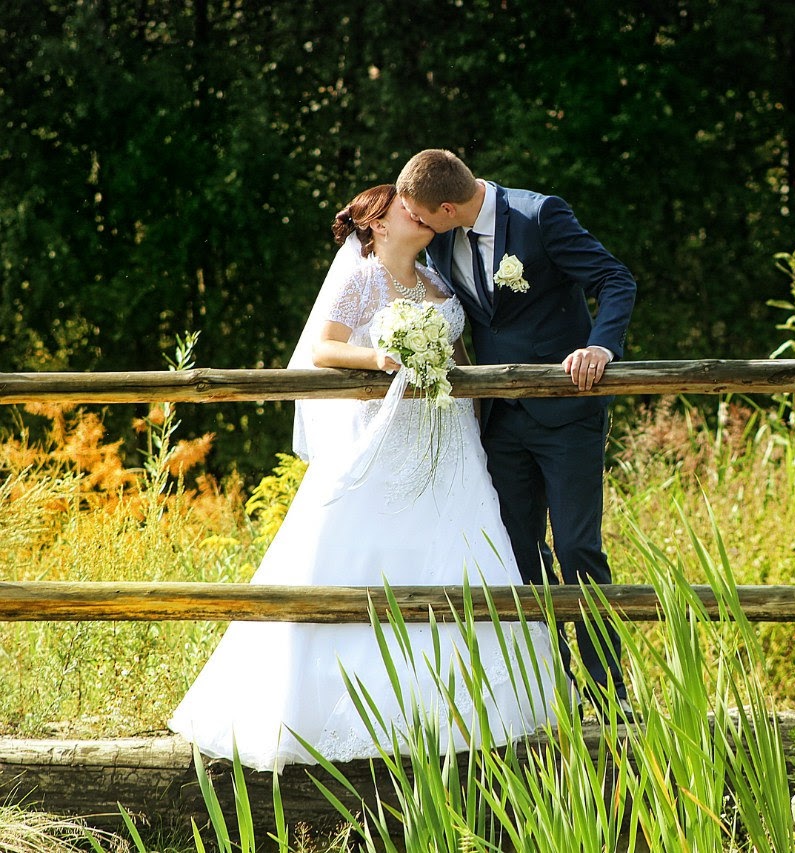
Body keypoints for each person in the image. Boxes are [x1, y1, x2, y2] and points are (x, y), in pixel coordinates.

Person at [169, 184, 560, 772]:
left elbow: (458, 356)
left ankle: (462, 711)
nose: (419, 214)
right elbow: (323, 349)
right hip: (387, 437)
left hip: (449, 442)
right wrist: (385, 358)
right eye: (405, 208)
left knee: (464, 555)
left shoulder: (439, 284)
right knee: (361, 559)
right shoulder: (363, 280)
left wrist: (463, 396)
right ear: (377, 225)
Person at [394, 150, 637, 716]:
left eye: (423, 216)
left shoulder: (540, 215)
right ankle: (555, 692)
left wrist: (601, 345)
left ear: (448, 207)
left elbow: (615, 278)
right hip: (498, 422)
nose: (419, 226)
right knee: (519, 555)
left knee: (578, 549)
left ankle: (609, 697)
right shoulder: (440, 241)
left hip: (567, 415)